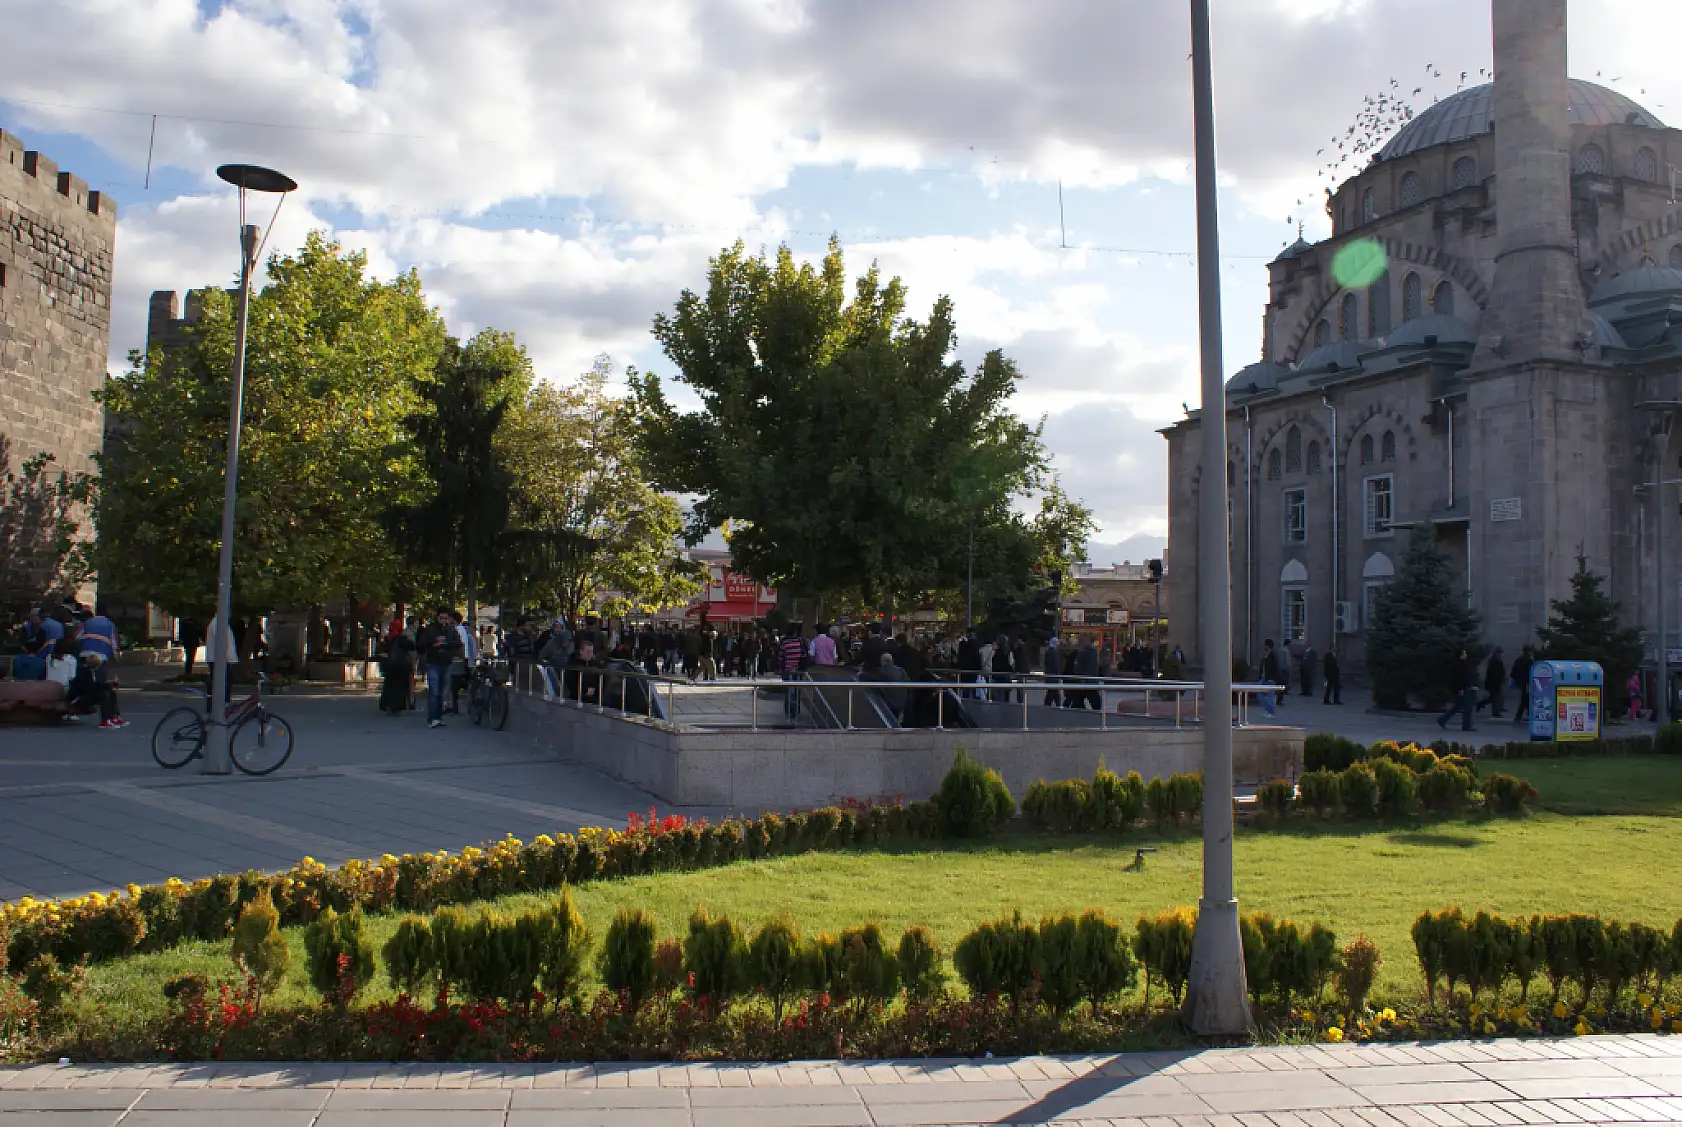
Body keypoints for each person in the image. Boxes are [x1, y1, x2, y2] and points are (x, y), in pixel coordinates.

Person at [415, 610, 456, 729]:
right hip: (433, 663)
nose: (443, 621)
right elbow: (421, 645)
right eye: (441, 618)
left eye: (445, 618)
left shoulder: (451, 630)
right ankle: (432, 718)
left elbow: (457, 643)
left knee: (442, 692)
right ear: (437, 618)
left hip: (446, 663)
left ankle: (438, 717)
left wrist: (446, 644)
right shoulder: (430, 630)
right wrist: (433, 643)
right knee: (434, 691)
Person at [65, 652, 127, 728]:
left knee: (111, 691)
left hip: (86, 695)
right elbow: (87, 688)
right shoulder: (83, 672)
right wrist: (102, 687)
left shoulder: (90, 672)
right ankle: (105, 720)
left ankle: (115, 716)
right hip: (78, 698)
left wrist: (109, 686)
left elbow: (95, 686)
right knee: (103, 694)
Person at [1438, 648, 1478, 732]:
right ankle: (1466, 726)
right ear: (1460, 656)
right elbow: (1459, 679)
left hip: (1464, 688)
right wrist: (1461, 688)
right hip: (1462, 689)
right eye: (1464, 654)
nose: (1466, 655)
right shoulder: (1459, 665)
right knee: (1467, 707)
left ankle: (1443, 719)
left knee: (1457, 707)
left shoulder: (1462, 664)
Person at [380, 623, 415, 715]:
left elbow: (383, 649)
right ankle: (397, 706)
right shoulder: (401, 638)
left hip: (391, 665)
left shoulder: (388, 638)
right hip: (402, 665)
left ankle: (387, 704)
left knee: (390, 685)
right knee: (400, 686)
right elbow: (411, 646)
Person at [779, 628, 806, 720]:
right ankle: (795, 711)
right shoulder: (800, 642)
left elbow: (781, 657)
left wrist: (781, 669)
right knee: (797, 691)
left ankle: (788, 711)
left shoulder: (784, 643)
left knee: (789, 691)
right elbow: (804, 655)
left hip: (788, 669)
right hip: (798, 670)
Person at [1257, 639, 1282, 719]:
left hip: (1270, 678)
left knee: (1270, 695)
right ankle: (1268, 709)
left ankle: (1271, 712)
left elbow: (1276, 667)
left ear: (1268, 646)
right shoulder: (1265, 655)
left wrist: (1274, 678)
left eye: (1265, 645)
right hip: (1263, 677)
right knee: (1258, 692)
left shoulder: (1273, 656)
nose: (1264, 646)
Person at [1510, 644, 1535, 724]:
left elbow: (1513, 672)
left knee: (1526, 698)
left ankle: (1523, 715)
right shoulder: (1529, 661)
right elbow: (1531, 672)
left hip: (1521, 682)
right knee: (1525, 699)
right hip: (1528, 682)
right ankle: (1521, 716)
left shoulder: (1519, 660)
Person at [1482, 647, 1507, 718]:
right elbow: (1492, 673)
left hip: (1496, 681)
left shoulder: (1497, 661)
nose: (1502, 654)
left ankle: (1496, 710)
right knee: (1494, 697)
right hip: (1494, 682)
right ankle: (1495, 712)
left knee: (1495, 697)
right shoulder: (1494, 661)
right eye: (1501, 653)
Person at [1042, 636, 1063, 707]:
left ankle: (1054, 704)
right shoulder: (1055, 652)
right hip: (1054, 675)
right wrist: (1058, 675)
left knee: (1052, 691)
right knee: (1053, 691)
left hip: (1049, 675)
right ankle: (1057, 704)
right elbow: (1056, 665)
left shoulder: (1048, 651)